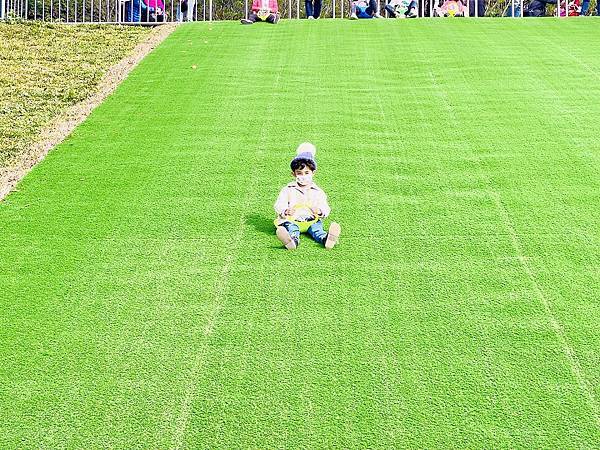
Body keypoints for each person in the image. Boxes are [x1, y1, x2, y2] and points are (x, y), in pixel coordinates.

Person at [274, 143, 341, 251]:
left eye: (306, 173)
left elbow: (325, 206)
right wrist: (285, 211)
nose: (303, 176)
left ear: (313, 173)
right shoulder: (288, 189)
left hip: (311, 220)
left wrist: (319, 211)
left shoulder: (318, 191)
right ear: (294, 174)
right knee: (292, 228)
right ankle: (291, 241)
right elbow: (278, 204)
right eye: (299, 173)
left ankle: (326, 239)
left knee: (317, 229)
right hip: (293, 219)